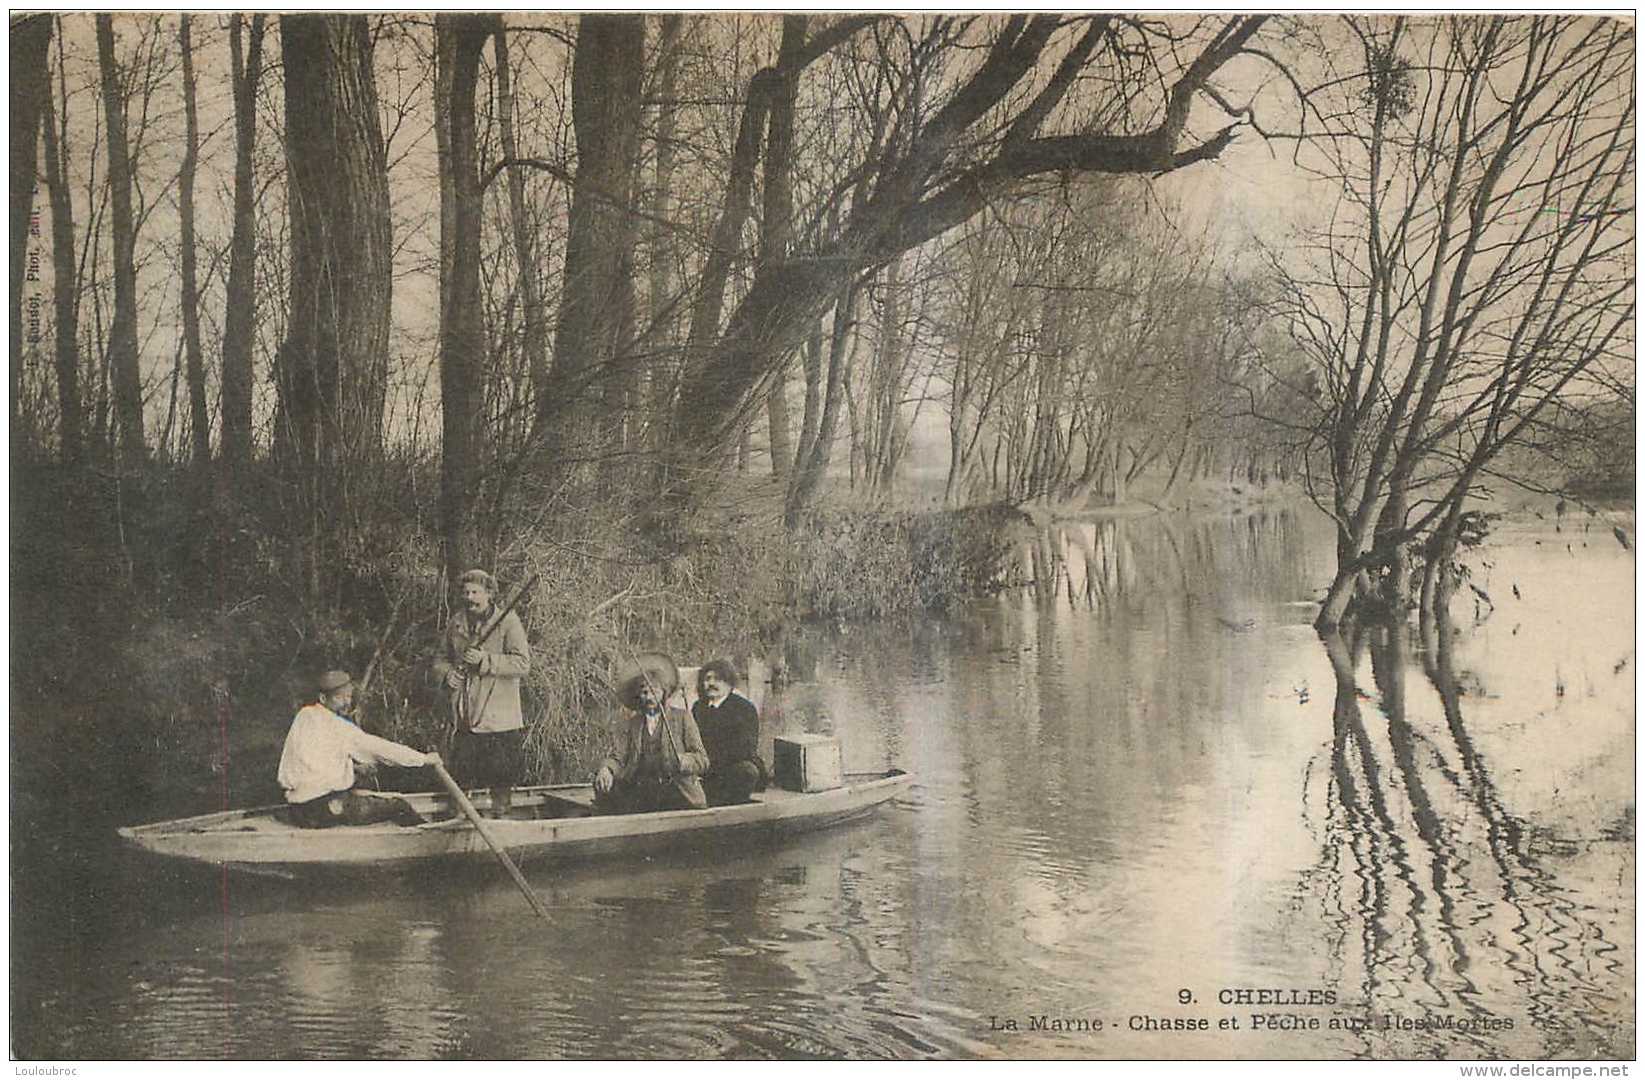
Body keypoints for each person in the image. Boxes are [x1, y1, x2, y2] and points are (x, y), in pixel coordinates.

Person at [277, 670, 437, 828]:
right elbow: (381, 749)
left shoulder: (303, 716)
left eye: (349, 697)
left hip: (297, 807)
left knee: (359, 796)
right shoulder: (341, 728)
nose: (346, 703)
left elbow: (312, 759)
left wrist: (353, 767)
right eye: (340, 698)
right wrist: (423, 759)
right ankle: (430, 837)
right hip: (325, 808)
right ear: (323, 698)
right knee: (399, 805)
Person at [433, 569, 532, 818]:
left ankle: (502, 820)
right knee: (461, 774)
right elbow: (441, 658)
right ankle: (459, 821)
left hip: (499, 717)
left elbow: (522, 664)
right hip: (466, 713)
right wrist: (447, 675)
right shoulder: (456, 622)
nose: (470, 598)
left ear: (489, 594)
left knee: (501, 777)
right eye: (466, 592)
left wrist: (485, 661)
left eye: (476, 592)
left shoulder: (508, 622)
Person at [594, 652, 709, 813]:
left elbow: (702, 759)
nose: (649, 697)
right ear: (638, 696)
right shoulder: (633, 723)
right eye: (644, 692)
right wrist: (606, 769)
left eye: (654, 691)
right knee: (603, 788)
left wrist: (685, 761)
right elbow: (618, 756)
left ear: (664, 692)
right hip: (641, 788)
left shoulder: (682, 718)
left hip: (675, 789)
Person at [693, 658, 768, 805]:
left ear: (729, 683)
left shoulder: (744, 708)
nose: (712, 684)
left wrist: (711, 763)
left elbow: (745, 747)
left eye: (718, 679)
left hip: (731, 766)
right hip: (705, 769)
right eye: (708, 679)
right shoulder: (698, 707)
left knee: (747, 771)